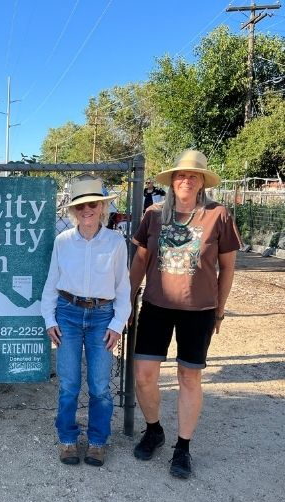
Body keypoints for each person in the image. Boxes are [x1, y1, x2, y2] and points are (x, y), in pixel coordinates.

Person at [130, 150, 241, 479]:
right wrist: (129, 300)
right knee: (144, 375)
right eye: (181, 175)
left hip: (199, 310)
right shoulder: (153, 214)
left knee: (189, 377)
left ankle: (183, 447)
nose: (186, 180)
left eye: (194, 175)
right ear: (172, 180)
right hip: (155, 307)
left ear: (202, 181)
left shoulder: (218, 215)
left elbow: (228, 267)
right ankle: (154, 431)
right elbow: (139, 261)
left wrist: (220, 310)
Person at [41, 176, 131, 467]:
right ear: (73, 212)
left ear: (102, 208)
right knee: (68, 382)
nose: (87, 211)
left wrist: (117, 324)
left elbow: (122, 287)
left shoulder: (116, 242)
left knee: (100, 384)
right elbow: (52, 281)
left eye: (92, 205)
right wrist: (48, 317)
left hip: (102, 317)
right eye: (80, 207)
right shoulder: (63, 241)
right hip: (67, 313)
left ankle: (97, 442)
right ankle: (67, 439)